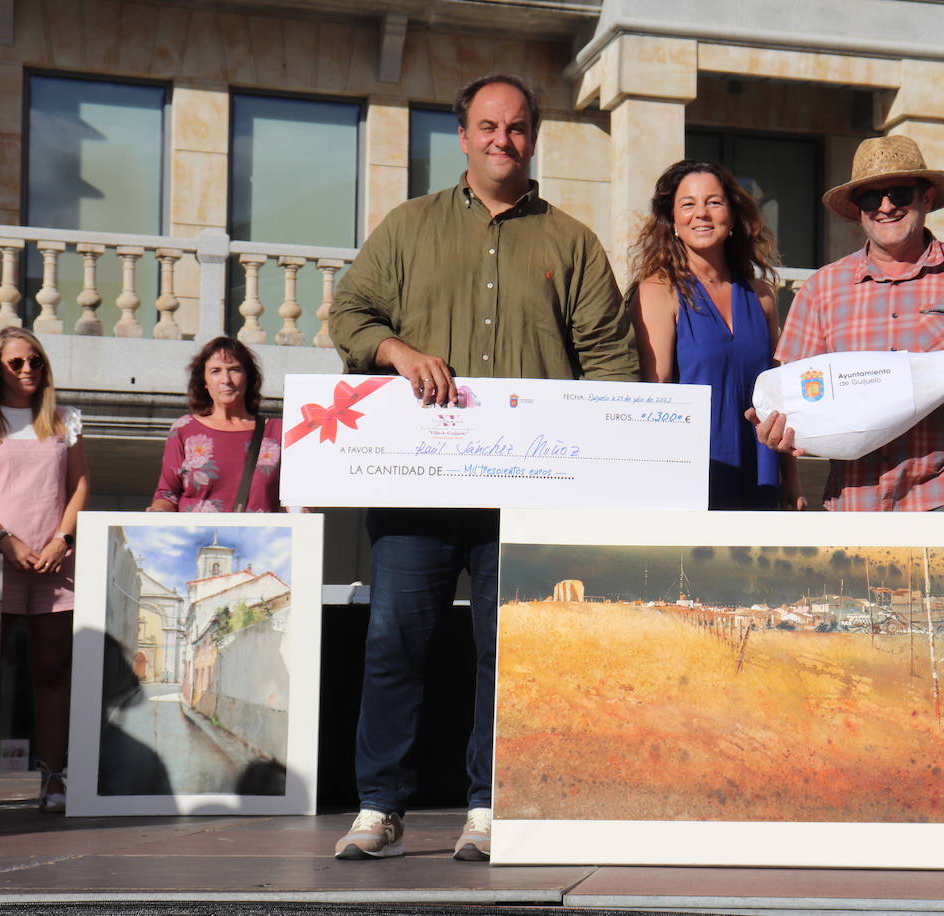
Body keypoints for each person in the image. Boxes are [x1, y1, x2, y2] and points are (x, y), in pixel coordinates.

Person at [328, 73, 638, 863]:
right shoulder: (408, 228)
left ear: (534, 139)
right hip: (418, 489)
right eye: (489, 126)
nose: (505, 140)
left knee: (514, 653)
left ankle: (493, 802)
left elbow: (609, 362)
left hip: (533, 495)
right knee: (397, 641)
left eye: (520, 128)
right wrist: (394, 351)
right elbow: (351, 314)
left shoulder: (571, 242)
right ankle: (379, 805)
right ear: (462, 136)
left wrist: (604, 461)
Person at [750, 134, 944, 513]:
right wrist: (777, 424)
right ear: (857, 210)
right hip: (852, 500)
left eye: (899, 193)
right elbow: (794, 390)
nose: (885, 206)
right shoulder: (821, 289)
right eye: (870, 198)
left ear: (926, 199)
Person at [629, 159, 802, 510]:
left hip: (761, 468)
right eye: (688, 204)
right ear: (673, 222)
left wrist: (792, 480)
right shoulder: (658, 292)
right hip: (691, 474)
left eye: (714, 202)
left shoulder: (762, 296)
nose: (701, 214)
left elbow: (779, 397)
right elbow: (654, 402)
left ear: (733, 216)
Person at [0, 327, 90, 813]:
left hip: (54, 560)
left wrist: (63, 538)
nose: (28, 370)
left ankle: (53, 776)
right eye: (16, 363)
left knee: (51, 670)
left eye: (36, 362)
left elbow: (79, 484)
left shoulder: (64, 420)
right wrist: (5, 539)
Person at [148, 337, 283, 513]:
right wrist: (158, 512)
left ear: (249, 378)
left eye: (234, 369)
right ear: (204, 381)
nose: (225, 379)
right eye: (215, 371)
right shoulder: (184, 429)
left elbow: (297, 498)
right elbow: (167, 494)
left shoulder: (277, 432)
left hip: (258, 539)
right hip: (196, 539)